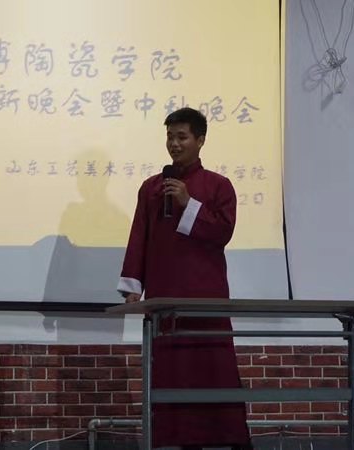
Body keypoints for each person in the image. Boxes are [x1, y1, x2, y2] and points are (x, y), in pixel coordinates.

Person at [117, 107, 252, 450]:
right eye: (170, 137)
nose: (174, 144)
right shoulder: (151, 187)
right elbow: (140, 237)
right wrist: (133, 286)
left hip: (206, 298)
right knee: (172, 371)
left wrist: (188, 202)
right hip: (165, 297)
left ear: (200, 140)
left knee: (213, 369)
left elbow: (222, 232)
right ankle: (179, 440)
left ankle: (229, 440)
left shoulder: (218, 185)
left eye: (182, 137)